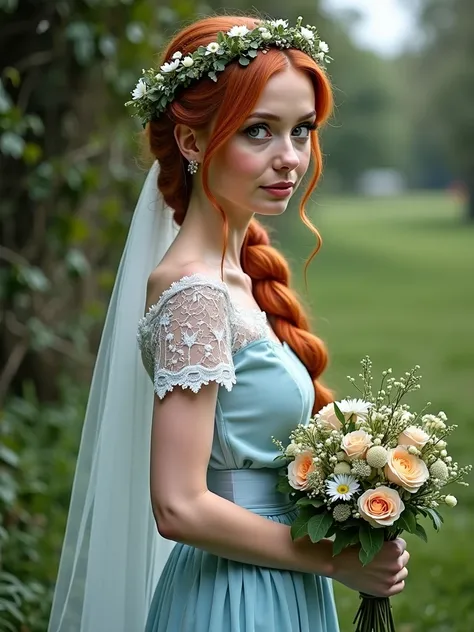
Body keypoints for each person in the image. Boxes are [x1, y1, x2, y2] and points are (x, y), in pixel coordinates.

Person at [47, 14, 410, 632]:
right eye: (259, 131)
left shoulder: (233, 281)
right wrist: (335, 559)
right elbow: (179, 506)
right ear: (192, 143)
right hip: (235, 598)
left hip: (276, 582)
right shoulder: (195, 295)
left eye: (301, 131)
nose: (289, 158)